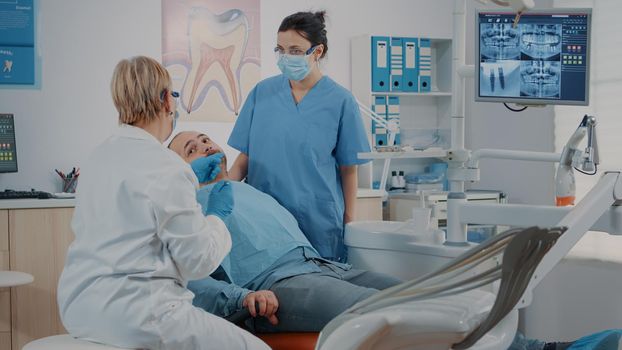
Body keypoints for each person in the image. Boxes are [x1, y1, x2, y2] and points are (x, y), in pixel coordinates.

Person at [57, 56, 269, 350]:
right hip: (141, 314)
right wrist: (218, 218)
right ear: (167, 100)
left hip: (80, 308)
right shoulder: (168, 166)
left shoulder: (98, 157)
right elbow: (198, 261)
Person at [169, 131, 402, 332]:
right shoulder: (187, 208)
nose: (205, 146)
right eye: (192, 150)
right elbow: (187, 279)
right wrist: (241, 298)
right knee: (381, 308)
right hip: (275, 285)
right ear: (180, 171)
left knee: (416, 294)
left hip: (322, 266)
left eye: (205, 139)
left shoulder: (247, 190)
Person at [228, 11, 370, 262]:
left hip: (318, 221)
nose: (285, 57)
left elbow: (349, 169)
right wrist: (220, 193)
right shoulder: (262, 93)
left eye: (295, 50)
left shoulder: (340, 101)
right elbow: (244, 158)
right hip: (264, 219)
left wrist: (350, 224)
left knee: (321, 290)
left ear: (317, 52)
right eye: (280, 49)